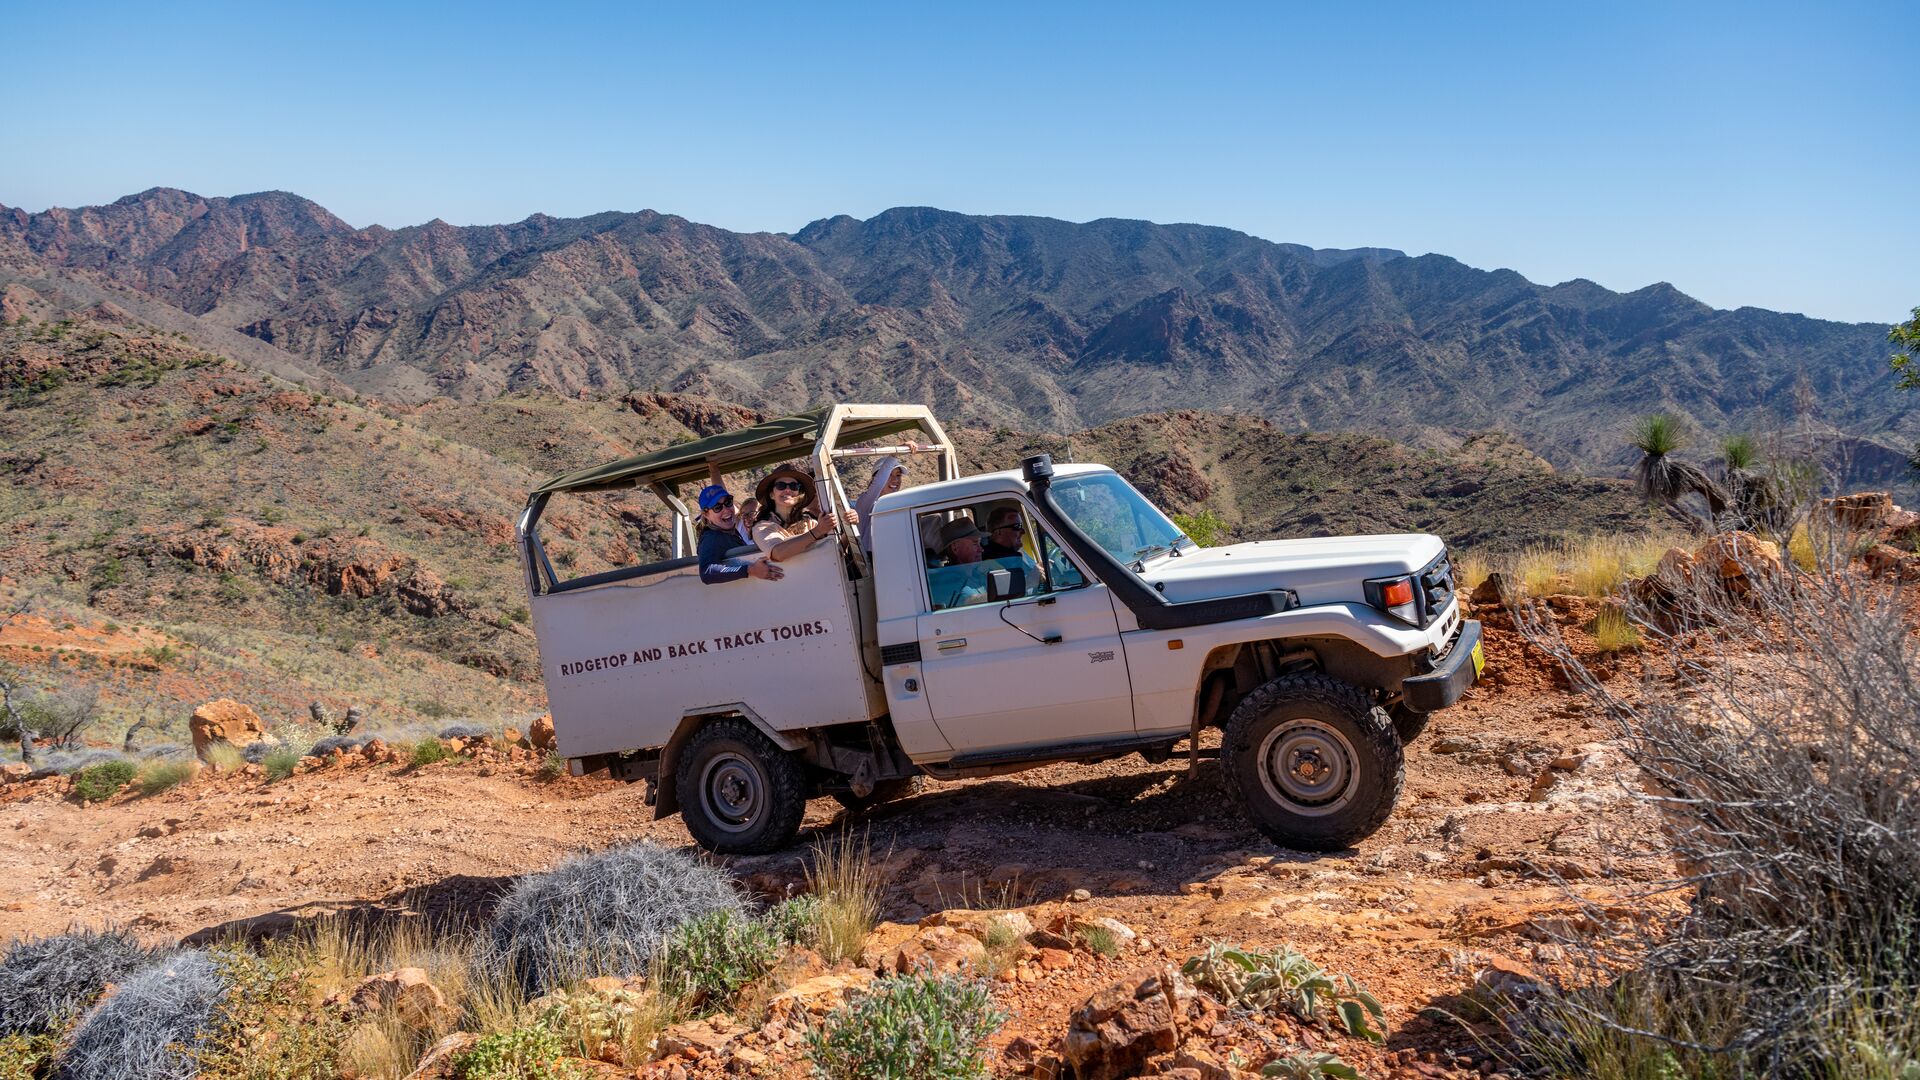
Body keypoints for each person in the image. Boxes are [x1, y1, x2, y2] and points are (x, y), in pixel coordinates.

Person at [694, 485, 782, 585]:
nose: (726, 510)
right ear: (706, 515)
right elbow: (707, 572)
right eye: (717, 507)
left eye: (728, 502)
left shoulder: (728, 532)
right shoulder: (712, 537)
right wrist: (750, 570)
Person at [752, 466, 839, 562]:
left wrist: (848, 524)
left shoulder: (810, 523)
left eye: (794, 486)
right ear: (771, 494)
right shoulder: (761, 527)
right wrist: (817, 531)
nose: (788, 490)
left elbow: (837, 551)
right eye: (781, 485)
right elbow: (778, 553)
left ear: (799, 494)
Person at [926, 517, 989, 609]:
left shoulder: (977, 574)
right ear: (955, 548)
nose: (981, 549)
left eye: (980, 543)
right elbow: (970, 602)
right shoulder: (944, 580)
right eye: (975, 543)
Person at [853, 455, 905, 555]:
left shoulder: (898, 504)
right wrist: (895, 455)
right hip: (871, 561)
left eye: (898, 475)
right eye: (889, 475)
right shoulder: (867, 501)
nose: (895, 480)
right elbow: (878, 484)